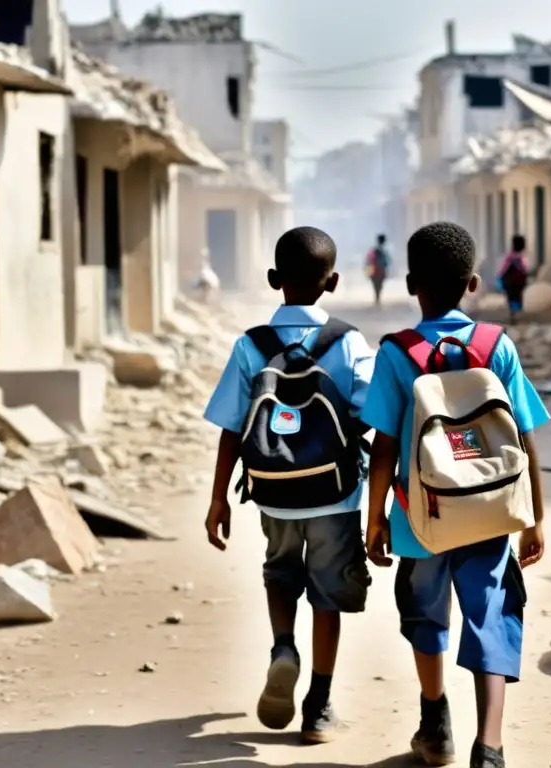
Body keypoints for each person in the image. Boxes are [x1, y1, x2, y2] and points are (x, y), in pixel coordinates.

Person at [360, 222, 549, 768]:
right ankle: (489, 746)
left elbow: (383, 448)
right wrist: (534, 518)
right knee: (491, 615)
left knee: (425, 615)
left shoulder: (397, 354)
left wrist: (375, 520)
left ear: (411, 283)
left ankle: (435, 722)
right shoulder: (497, 346)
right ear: (472, 284)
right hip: (490, 514)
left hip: (420, 517)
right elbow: (526, 438)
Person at [203, 226, 375, 744]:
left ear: (274, 279)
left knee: (281, 574)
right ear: (334, 281)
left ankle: (283, 647)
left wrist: (218, 499)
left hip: (273, 493)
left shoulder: (250, 345)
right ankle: (318, 707)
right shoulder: (347, 342)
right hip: (335, 495)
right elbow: (372, 413)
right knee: (329, 594)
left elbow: (233, 427)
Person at [497, 235, 530, 325]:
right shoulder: (521, 257)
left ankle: (513, 315)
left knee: (512, 298)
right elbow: (525, 269)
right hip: (517, 282)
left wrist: (499, 277)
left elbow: (503, 269)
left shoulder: (509, 256)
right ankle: (515, 315)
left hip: (509, 282)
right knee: (517, 297)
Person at [366, 234, 391, 306]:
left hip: (373, 270)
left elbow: (368, 260)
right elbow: (387, 262)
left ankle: (377, 298)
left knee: (376, 285)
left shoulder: (373, 250)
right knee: (379, 285)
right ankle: (377, 298)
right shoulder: (384, 251)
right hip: (381, 271)